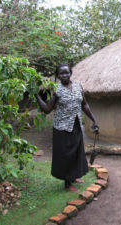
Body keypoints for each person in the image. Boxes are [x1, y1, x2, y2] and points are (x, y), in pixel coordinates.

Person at [35, 64, 99, 192]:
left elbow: (84, 105)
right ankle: (67, 183)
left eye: (66, 73)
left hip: (75, 125)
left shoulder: (78, 86)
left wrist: (94, 119)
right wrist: (36, 96)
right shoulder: (56, 90)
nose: (64, 75)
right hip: (61, 127)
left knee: (76, 152)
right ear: (57, 75)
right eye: (61, 73)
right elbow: (47, 109)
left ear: (71, 73)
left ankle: (74, 176)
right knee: (65, 154)